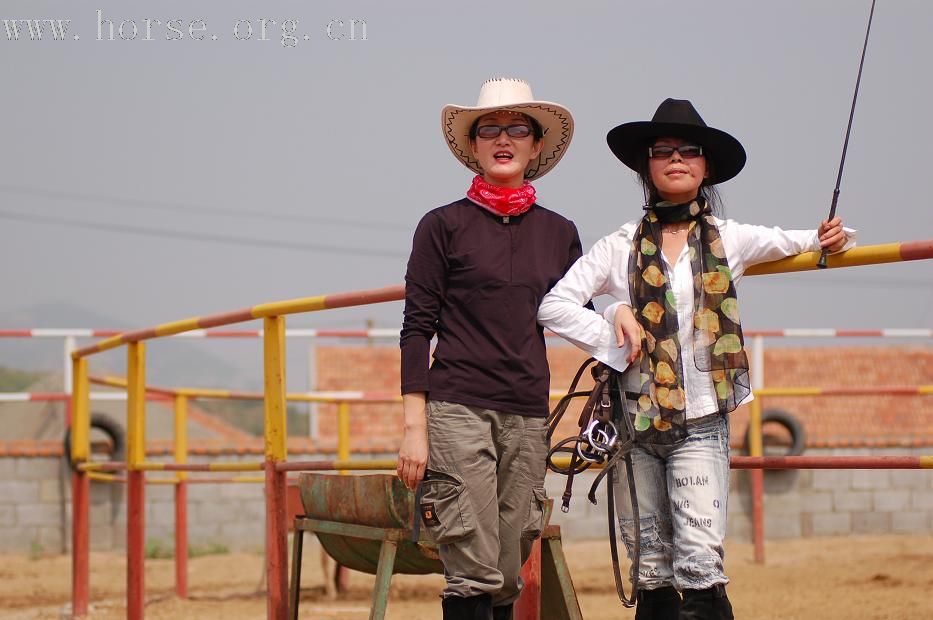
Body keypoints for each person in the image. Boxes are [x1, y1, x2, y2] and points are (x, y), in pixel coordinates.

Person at [537, 98, 854, 620]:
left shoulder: (732, 239)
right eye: (663, 151)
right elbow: (554, 304)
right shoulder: (618, 246)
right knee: (651, 568)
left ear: (706, 166)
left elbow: (810, 242)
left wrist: (831, 239)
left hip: (702, 421)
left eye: (689, 150)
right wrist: (616, 322)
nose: (676, 158)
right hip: (633, 423)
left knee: (700, 562)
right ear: (647, 166)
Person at [397, 77, 580, 620]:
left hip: (527, 413)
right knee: (471, 572)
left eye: (517, 128)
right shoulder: (441, 226)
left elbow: (578, 314)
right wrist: (415, 429)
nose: (504, 139)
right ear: (473, 147)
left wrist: (618, 312)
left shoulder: (560, 233)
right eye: (490, 129)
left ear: (537, 144)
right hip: (458, 409)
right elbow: (415, 329)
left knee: (506, 569)